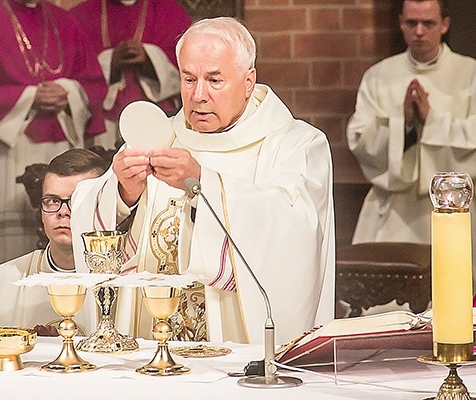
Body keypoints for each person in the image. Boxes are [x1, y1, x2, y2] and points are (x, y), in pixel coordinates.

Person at [70, 17, 335, 345]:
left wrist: (204, 183)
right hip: (153, 344)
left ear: (248, 82)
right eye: (189, 79)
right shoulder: (159, 137)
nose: (198, 95)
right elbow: (89, 213)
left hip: (240, 347)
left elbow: (298, 230)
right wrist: (124, 193)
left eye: (214, 80)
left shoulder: (296, 144)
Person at [0, 0, 108, 266]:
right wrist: (30, 96)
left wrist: (69, 92)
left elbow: (94, 84)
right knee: (9, 260)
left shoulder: (66, 22)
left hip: (59, 147)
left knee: (61, 246)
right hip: (7, 149)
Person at [346, 0, 476, 284]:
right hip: (392, 210)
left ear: (444, 25)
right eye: (411, 23)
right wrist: (402, 123)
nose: (419, 31)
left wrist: (432, 120)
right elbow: (359, 138)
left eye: (428, 23)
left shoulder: (470, 74)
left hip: (455, 214)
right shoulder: (378, 76)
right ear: (400, 22)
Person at [0, 149, 108, 332]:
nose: (62, 212)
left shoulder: (127, 285)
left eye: (76, 200)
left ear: (103, 207)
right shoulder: (1, 282)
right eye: (52, 201)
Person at [71, 0, 191, 150]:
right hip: (105, 118)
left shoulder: (170, 11)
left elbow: (186, 66)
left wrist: (149, 58)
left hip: (155, 114)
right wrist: (110, 62)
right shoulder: (82, 14)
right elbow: (74, 69)